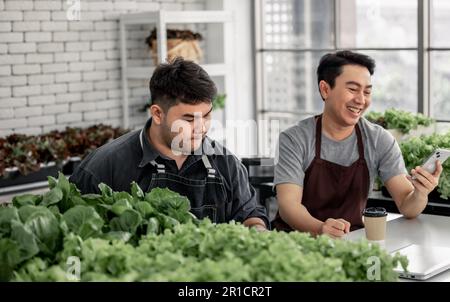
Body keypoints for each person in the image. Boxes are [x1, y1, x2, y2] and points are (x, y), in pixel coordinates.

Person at [70, 57, 268, 231]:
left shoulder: (226, 163)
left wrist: (257, 229)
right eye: (189, 119)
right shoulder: (102, 168)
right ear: (157, 114)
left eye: (206, 116)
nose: (201, 128)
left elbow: (249, 214)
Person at [272, 50, 442, 238]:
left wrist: (420, 193)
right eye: (353, 89)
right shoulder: (294, 139)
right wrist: (321, 229)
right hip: (296, 243)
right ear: (325, 89)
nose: (361, 99)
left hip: (351, 242)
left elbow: (407, 206)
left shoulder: (379, 140)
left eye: (367, 91)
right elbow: (289, 206)